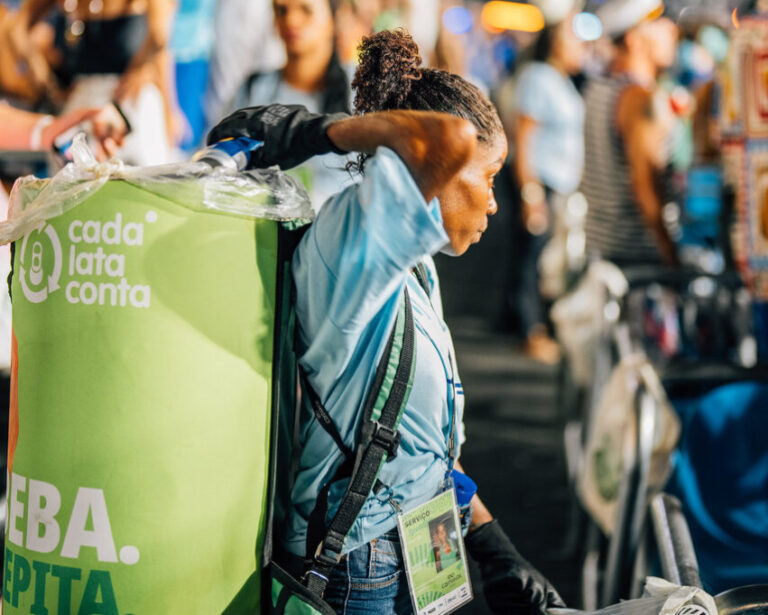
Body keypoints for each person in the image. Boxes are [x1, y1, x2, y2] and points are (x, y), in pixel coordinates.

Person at [209, 29, 564, 615]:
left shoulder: (415, 268)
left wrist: (490, 541)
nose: (495, 202)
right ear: (437, 167)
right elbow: (447, 135)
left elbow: (422, 448)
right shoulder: (354, 246)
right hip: (354, 570)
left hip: (412, 547)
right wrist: (315, 132)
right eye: (489, 177)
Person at [7, 0, 178, 165]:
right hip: (119, 105)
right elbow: (160, 36)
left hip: (105, 104)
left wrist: (46, 82)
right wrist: (48, 83)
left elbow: (15, 30)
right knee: (141, 184)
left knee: (76, 186)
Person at [510, 0, 585, 364]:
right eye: (573, 36)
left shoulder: (560, 79)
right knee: (531, 261)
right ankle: (530, 330)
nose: (581, 45)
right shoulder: (539, 77)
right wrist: (531, 192)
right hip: (542, 182)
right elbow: (523, 139)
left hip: (558, 185)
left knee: (544, 261)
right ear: (556, 39)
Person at [581, 0, 680, 267]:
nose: (672, 30)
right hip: (640, 262)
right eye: (660, 22)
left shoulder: (599, 88)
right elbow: (645, 187)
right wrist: (671, 257)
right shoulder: (640, 99)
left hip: (603, 250)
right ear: (634, 39)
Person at [226, 0, 353, 208]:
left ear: (335, 17)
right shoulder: (254, 89)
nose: (291, 20)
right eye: (282, 10)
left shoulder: (359, 90)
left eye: (306, 10)